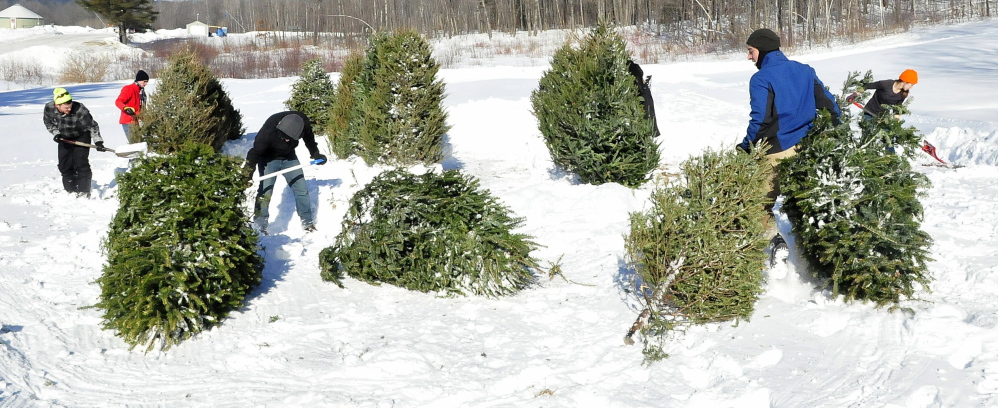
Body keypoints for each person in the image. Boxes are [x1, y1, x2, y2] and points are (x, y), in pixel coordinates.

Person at [739, 28, 841, 258]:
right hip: (806, 149)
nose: (749, 57)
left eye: (751, 51)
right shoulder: (804, 70)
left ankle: (775, 244)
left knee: (759, 203)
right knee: (800, 200)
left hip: (775, 151)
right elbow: (829, 105)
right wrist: (835, 133)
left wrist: (745, 147)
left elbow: (761, 120)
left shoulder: (761, 78)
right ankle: (813, 253)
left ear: (762, 50)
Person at [245, 111, 327, 234]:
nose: (287, 140)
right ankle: (260, 226)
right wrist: (247, 174)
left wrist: (315, 154)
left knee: (301, 189)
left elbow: (309, 138)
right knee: (265, 192)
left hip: (289, 157)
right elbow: (254, 154)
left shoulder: (303, 123)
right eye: (284, 137)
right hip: (268, 158)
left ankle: (307, 222)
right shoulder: (268, 132)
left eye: (290, 138)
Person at [42, 87, 106, 198]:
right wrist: (56, 133)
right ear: (57, 105)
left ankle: (84, 190)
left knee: (80, 163)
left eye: (70, 106)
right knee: (64, 165)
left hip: (81, 136)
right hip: (64, 137)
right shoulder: (49, 108)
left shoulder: (80, 109)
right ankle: (70, 189)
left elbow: (92, 126)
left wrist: (98, 142)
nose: (69, 109)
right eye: (66, 108)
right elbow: (48, 123)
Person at [850, 69, 918, 121]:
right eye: (911, 84)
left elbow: (897, 109)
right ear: (905, 81)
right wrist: (855, 94)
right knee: (868, 136)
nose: (911, 87)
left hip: (883, 118)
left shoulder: (903, 94)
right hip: (869, 112)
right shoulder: (886, 84)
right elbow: (867, 86)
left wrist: (896, 125)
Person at [627, 59, 661, 137]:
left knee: (647, 113)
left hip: (642, 94)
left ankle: (649, 132)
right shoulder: (634, 69)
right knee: (648, 113)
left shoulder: (632, 70)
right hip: (643, 94)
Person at [115, 70, 149, 143]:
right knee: (135, 143)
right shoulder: (129, 88)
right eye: (144, 81)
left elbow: (141, 108)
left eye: (147, 82)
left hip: (137, 121)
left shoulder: (141, 92)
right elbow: (118, 101)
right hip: (128, 121)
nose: (146, 83)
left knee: (141, 143)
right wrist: (125, 108)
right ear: (139, 80)